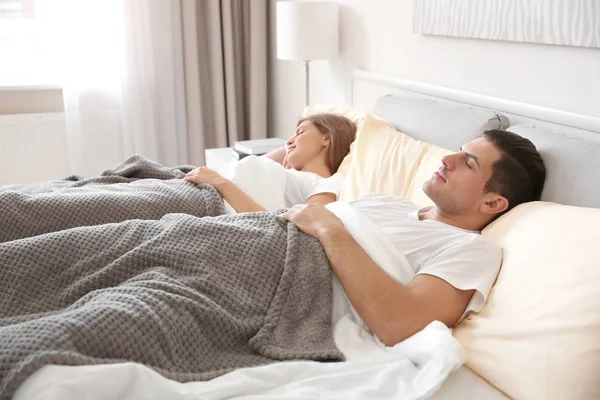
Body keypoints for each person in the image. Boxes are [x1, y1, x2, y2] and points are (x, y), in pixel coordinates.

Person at [283, 129, 546, 346]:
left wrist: (331, 231)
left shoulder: (471, 249)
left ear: (492, 204)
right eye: (458, 150)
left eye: (468, 163)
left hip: (287, 289)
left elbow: (401, 323)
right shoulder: (386, 202)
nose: (447, 159)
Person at [184, 113, 356, 212]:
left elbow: (297, 230)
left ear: (326, 138)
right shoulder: (288, 173)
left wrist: (219, 182)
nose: (289, 141)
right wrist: (291, 154)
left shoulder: (326, 182)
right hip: (199, 189)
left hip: (210, 203)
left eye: (300, 132)